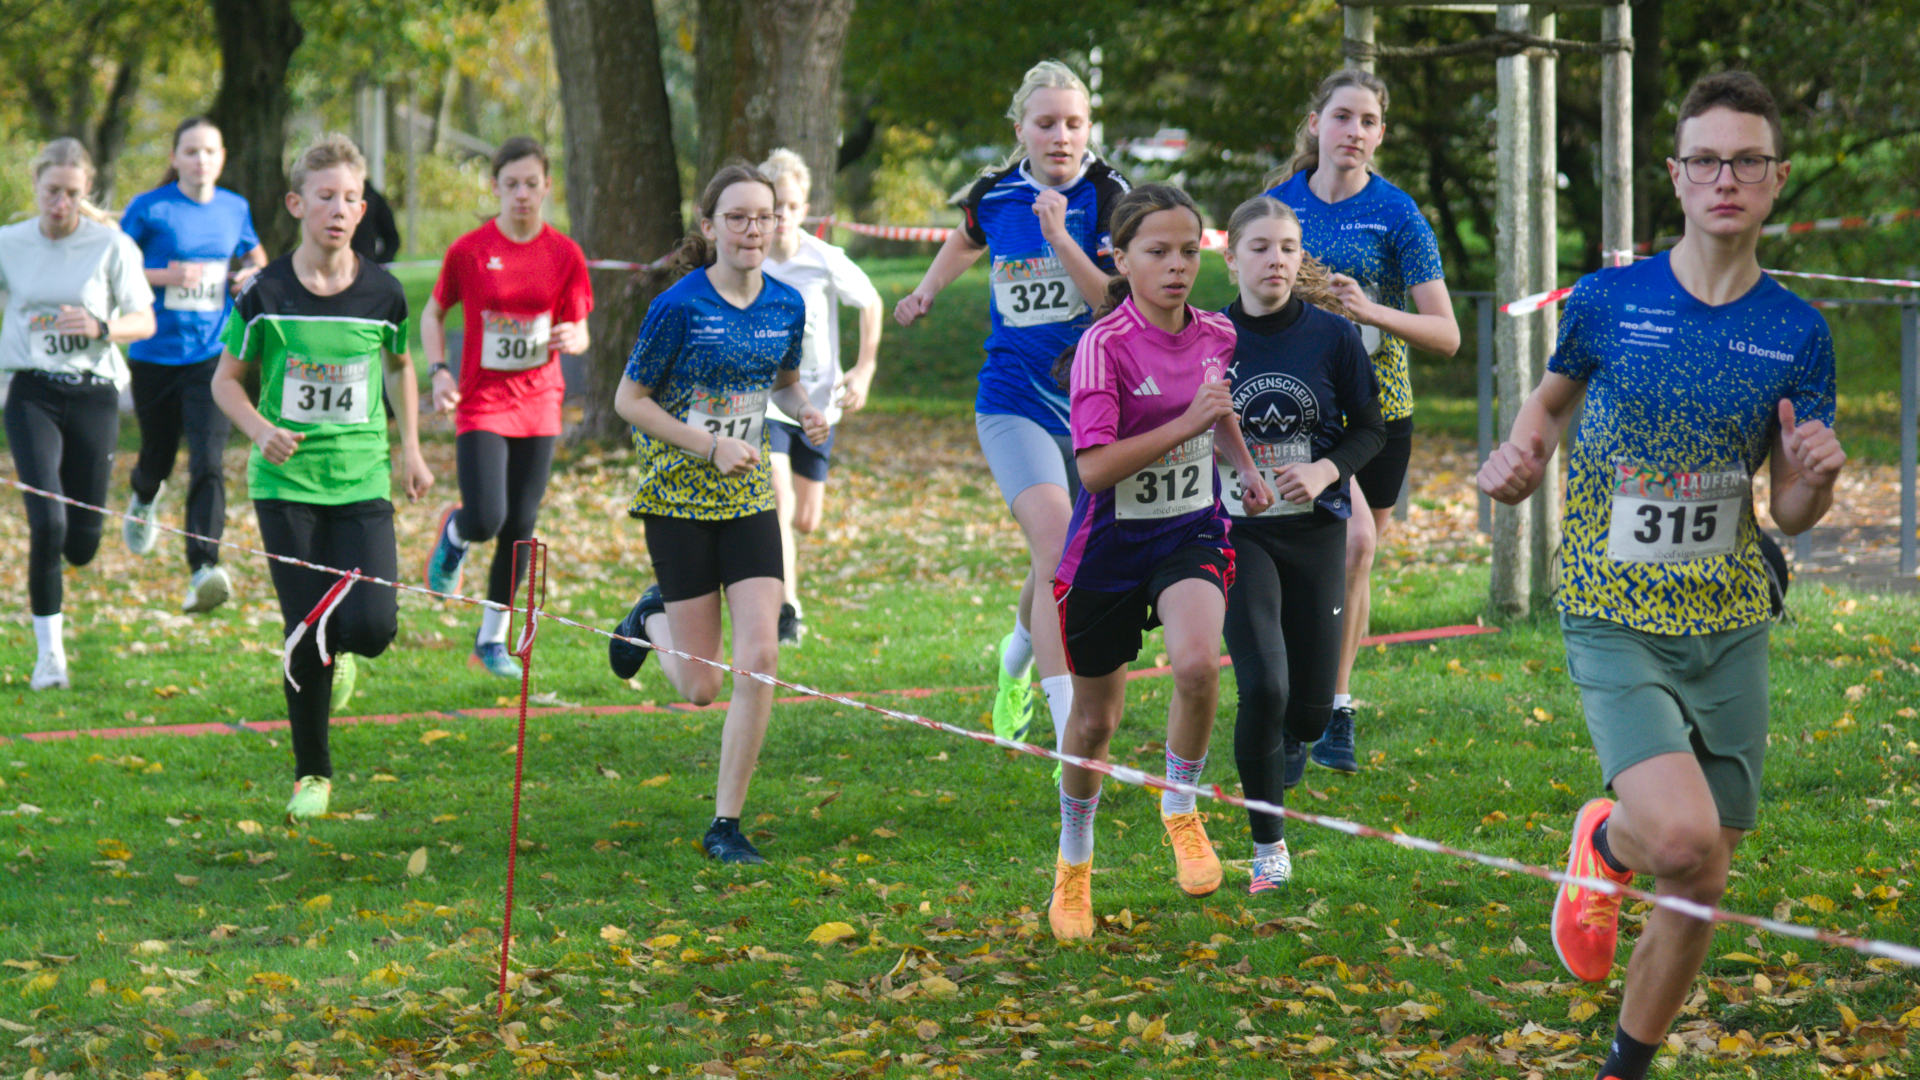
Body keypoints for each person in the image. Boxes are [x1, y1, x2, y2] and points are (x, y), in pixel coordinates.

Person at [1476, 72, 1842, 1080]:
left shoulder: (1796, 333)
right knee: (1681, 843)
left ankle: (1622, 1062)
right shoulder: (1608, 301)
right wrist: (1519, 461)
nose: (1728, 177)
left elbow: (1791, 514)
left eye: (1749, 161)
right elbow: (1547, 408)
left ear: (1772, 181)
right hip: (1613, 607)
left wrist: (1813, 482)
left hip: (1731, 618)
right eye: (1707, 160)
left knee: (1704, 867)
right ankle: (1613, 838)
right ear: (1677, 177)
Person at [1043, 184, 1272, 941]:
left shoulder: (1215, 334)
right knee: (1092, 726)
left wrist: (1241, 468)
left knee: (1199, 665)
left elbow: (1219, 413)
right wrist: (1189, 425)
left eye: (1187, 251)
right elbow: (1096, 470)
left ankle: (1180, 803)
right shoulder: (1102, 346)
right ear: (1121, 258)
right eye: (1157, 252)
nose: (1177, 267)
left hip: (1189, 532)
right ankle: (1075, 863)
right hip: (1108, 549)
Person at [895, 60, 1129, 757]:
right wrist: (928, 291)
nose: (1061, 136)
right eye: (1046, 123)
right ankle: (1067, 739)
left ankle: (1017, 658)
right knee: (1057, 545)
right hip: (1013, 402)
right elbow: (968, 238)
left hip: (1093, 406)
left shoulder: (1110, 194)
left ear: (1089, 129)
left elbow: (1114, 302)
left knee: (1060, 556)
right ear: (1020, 129)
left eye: (1074, 123)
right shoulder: (995, 195)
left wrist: (1061, 237)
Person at [605, 164, 828, 865]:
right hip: (676, 499)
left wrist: (808, 414)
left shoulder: (786, 305)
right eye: (736, 216)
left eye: (762, 216)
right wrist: (708, 445)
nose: (752, 228)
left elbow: (784, 386)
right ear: (710, 227)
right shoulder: (679, 306)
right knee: (701, 687)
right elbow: (628, 401)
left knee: (759, 657)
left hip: (750, 498)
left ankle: (726, 824)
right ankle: (650, 617)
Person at [211, 134, 433, 820]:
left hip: (361, 477)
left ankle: (345, 648)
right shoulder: (265, 294)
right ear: (297, 203)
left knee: (373, 626)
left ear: (363, 208)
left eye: (349, 199)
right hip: (285, 488)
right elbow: (226, 382)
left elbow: (400, 368)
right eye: (325, 197)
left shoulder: (384, 294)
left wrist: (412, 450)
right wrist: (261, 431)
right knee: (304, 628)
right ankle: (313, 774)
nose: (338, 210)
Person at [1265, 69, 1459, 774]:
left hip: (1381, 410)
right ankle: (1299, 711)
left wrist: (1369, 310)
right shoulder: (1276, 206)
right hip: (1299, 410)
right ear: (1316, 123)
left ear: (1381, 133)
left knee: (1356, 555)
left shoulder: (1398, 215)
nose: (1354, 132)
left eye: (1368, 121)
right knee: (1334, 553)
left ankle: (1333, 707)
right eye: (1342, 117)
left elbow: (1446, 334)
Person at [1216, 195, 1386, 894]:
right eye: (1259, 247)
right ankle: (1269, 849)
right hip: (1236, 532)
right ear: (1230, 259)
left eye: (1288, 248)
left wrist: (1324, 469)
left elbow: (1370, 427)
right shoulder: (1209, 338)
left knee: (1310, 711)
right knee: (1264, 685)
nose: (1275, 260)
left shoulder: (1332, 337)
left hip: (1315, 529)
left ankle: (1296, 728)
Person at [420, 136, 593, 678]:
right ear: (494, 188)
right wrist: (439, 370)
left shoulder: (564, 254)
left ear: (547, 187)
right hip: (482, 401)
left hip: (540, 400)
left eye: (532, 184)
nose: (522, 194)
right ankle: (455, 534)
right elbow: (432, 314)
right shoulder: (469, 251)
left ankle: (491, 639)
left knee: (521, 526)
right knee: (487, 516)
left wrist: (571, 337)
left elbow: (582, 330)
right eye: (511, 184)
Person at [2, 138, 156, 690]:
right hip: (31, 393)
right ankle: (50, 660)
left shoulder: (110, 245)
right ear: (36, 186)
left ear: (84, 189)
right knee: (48, 521)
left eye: (71, 193)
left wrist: (101, 328)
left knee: (82, 543)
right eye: (51, 192)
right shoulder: (10, 243)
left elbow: (145, 320)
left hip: (93, 393)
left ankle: (82, 542)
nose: (60, 203)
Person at [119, 116, 269, 613]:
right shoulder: (149, 208)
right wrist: (166, 275)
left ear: (222, 156)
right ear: (174, 158)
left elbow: (257, 259)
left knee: (208, 459)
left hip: (211, 355)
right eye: (191, 151)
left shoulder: (234, 207)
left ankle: (204, 566)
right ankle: (144, 495)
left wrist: (248, 275)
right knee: (158, 455)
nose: (201, 160)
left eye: (210, 151)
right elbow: (115, 265)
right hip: (155, 353)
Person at [758, 147, 883, 645]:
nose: (782, 217)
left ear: (804, 207)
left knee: (806, 519)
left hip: (819, 404)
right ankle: (787, 609)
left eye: (791, 206)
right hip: (766, 403)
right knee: (778, 502)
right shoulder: (751, 260)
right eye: (773, 208)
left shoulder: (823, 259)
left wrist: (865, 367)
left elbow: (871, 301)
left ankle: (785, 587)